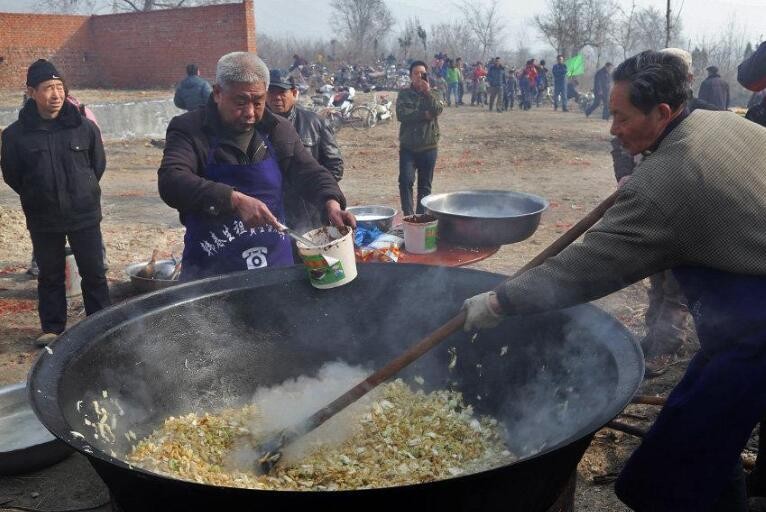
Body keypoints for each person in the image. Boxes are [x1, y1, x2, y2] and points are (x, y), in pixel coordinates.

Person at [462, 50, 766, 511]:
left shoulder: (667, 182)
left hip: (757, 333)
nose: (612, 129)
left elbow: (585, 269)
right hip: (741, 325)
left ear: (662, 112)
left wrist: (500, 302)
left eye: (621, 117)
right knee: (695, 430)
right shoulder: (717, 123)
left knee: (676, 468)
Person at [157, 52, 354, 280]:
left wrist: (331, 202)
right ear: (218, 93)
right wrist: (233, 199)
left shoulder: (277, 128)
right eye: (240, 102)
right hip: (213, 273)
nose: (250, 113)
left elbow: (310, 171)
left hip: (275, 267)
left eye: (258, 102)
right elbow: (172, 180)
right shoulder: (190, 129)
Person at [1, 59, 111, 347]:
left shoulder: (84, 127)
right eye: (48, 88)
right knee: (49, 275)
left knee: (94, 273)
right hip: (43, 217)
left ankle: (102, 324)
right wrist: (39, 194)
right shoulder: (14, 136)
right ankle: (53, 328)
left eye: (60, 87)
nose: (56, 95)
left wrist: (82, 190)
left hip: (84, 213)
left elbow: (96, 165)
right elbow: (13, 175)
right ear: (31, 92)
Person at [266, 69, 344, 233]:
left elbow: (335, 164)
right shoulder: (258, 126)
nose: (276, 98)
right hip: (273, 209)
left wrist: (320, 193)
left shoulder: (314, 122)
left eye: (282, 92)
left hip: (310, 209)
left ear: (294, 93)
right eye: (271, 93)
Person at [395, 60, 444, 217]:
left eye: (422, 73)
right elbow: (402, 115)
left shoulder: (434, 93)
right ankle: (409, 217)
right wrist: (424, 115)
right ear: (410, 76)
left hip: (429, 147)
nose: (418, 76)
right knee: (405, 181)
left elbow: (437, 109)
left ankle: (421, 218)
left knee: (425, 187)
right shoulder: (404, 94)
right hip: (408, 148)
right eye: (415, 73)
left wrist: (427, 93)